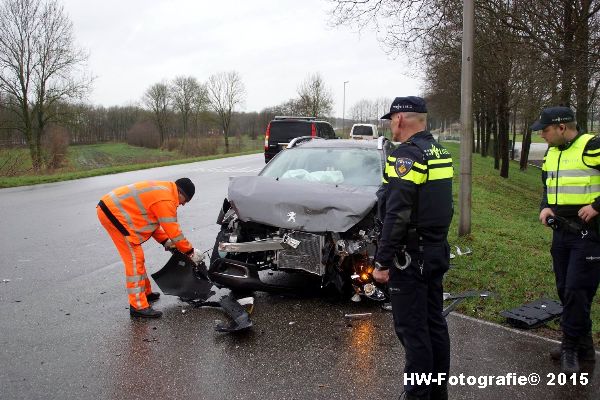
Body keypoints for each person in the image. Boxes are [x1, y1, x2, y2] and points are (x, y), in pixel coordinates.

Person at [372, 97, 453, 400]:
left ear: (401, 119)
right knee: (434, 324)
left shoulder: (406, 155)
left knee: (413, 330)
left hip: (411, 257)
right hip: (434, 251)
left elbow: (398, 213)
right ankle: (437, 392)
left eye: (391, 119)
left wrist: (381, 262)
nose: (390, 125)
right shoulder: (438, 151)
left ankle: (418, 394)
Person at [533, 106, 600, 373]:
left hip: (589, 233)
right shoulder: (553, 152)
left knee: (576, 290)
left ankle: (570, 346)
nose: (542, 136)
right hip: (561, 232)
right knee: (565, 289)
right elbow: (547, 185)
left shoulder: (591, 146)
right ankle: (584, 345)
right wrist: (544, 206)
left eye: (545, 130)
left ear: (562, 128)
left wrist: (597, 205)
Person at [96, 178, 203, 319]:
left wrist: (165, 242)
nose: (183, 204)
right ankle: (138, 306)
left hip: (113, 210)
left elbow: (151, 223)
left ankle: (145, 293)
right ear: (181, 193)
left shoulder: (165, 191)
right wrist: (190, 251)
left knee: (137, 258)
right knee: (135, 260)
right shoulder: (166, 200)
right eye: (185, 200)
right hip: (112, 213)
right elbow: (174, 233)